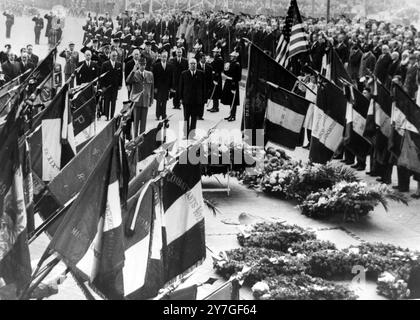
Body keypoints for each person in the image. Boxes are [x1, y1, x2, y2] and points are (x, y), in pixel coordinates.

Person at [126, 56, 154, 137]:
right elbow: (128, 80)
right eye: (141, 64)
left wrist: (151, 100)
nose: (143, 66)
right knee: (136, 122)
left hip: (145, 101)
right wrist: (133, 71)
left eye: (144, 64)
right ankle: (135, 139)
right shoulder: (135, 73)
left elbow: (151, 88)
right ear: (138, 65)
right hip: (137, 102)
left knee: (143, 123)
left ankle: (141, 138)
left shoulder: (150, 74)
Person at [178, 58, 206, 138]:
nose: (193, 65)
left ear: (196, 64)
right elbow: (181, 87)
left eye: (194, 63)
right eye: (191, 63)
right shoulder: (184, 74)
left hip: (196, 100)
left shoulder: (201, 74)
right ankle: (185, 133)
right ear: (188, 65)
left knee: (194, 118)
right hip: (186, 100)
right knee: (186, 117)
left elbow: (204, 87)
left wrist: (204, 99)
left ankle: (192, 134)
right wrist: (180, 98)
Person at [100, 49, 123, 120]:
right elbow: (102, 76)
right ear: (110, 55)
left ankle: (112, 115)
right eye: (113, 56)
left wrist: (120, 84)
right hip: (107, 86)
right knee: (107, 101)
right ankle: (107, 116)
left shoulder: (119, 64)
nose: (114, 57)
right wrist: (102, 86)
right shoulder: (105, 64)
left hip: (115, 86)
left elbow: (121, 76)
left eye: (116, 56)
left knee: (113, 101)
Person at [152, 51, 174, 121]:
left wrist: (170, 87)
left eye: (165, 57)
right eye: (163, 56)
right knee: (158, 101)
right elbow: (154, 77)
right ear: (160, 57)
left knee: (164, 101)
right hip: (158, 87)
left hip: (166, 87)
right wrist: (154, 87)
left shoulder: (170, 66)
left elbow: (171, 77)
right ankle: (158, 115)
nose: (164, 58)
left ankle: (164, 115)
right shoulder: (156, 65)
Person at [221, 51, 241, 122]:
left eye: (232, 56)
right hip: (228, 83)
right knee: (230, 99)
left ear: (235, 57)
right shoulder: (230, 63)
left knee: (233, 101)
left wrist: (233, 84)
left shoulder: (237, 65)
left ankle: (233, 116)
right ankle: (231, 114)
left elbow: (238, 77)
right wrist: (225, 69)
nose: (231, 57)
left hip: (233, 83)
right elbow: (227, 72)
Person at [197, 52, 213, 120]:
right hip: (197, 87)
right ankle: (197, 114)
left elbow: (210, 78)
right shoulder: (196, 66)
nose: (205, 60)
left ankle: (200, 115)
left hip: (205, 87)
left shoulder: (209, 67)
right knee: (197, 101)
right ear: (200, 59)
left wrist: (210, 87)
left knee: (203, 101)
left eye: (205, 58)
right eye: (203, 59)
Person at [208, 46, 223, 113]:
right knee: (214, 93)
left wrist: (215, 79)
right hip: (215, 77)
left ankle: (216, 107)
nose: (213, 53)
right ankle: (214, 106)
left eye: (214, 52)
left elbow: (217, 69)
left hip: (217, 78)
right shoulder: (216, 58)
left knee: (215, 93)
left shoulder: (219, 59)